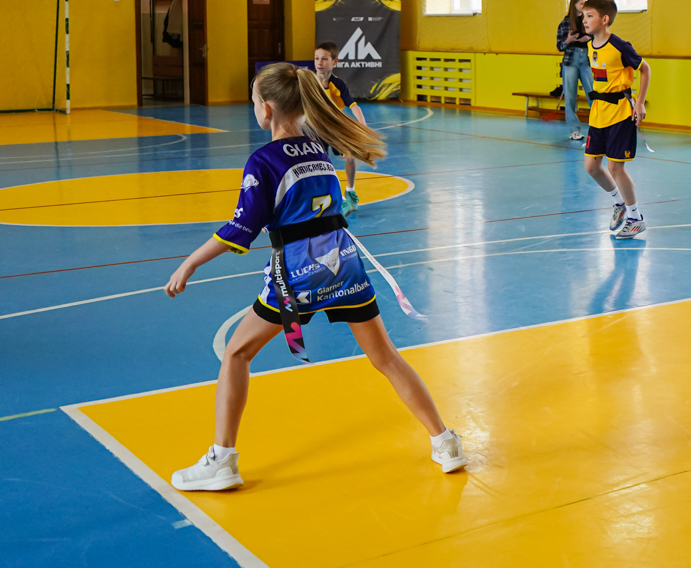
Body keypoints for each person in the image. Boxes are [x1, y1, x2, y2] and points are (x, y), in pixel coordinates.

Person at [163, 63, 466, 491]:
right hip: (345, 264)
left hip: (300, 275)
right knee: (385, 357)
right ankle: (445, 441)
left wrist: (190, 262)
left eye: (254, 101)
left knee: (236, 354)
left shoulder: (263, 161)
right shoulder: (317, 149)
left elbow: (241, 229)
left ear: (266, 109)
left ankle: (223, 460)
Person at [582, 0, 651, 239]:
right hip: (598, 113)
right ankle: (618, 203)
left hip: (620, 113)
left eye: (589, 16)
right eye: (583, 16)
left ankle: (635, 218)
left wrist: (639, 103)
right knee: (591, 166)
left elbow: (645, 69)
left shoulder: (620, 46)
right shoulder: (590, 45)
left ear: (604, 19)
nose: (584, 20)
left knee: (615, 167)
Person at [313, 41, 368, 216]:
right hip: (315, 129)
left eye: (324, 59)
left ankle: (350, 192)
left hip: (335, 127)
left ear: (334, 62)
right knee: (321, 164)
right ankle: (337, 199)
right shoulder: (309, 83)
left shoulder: (338, 84)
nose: (319, 62)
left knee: (351, 154)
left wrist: (363, 125)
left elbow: (353, 105)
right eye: (316, 58)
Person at [555, 0, 592, 141]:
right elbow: (560, 46)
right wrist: (569, 40)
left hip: (586, 59)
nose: (584, 6)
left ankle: (599, 128)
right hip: (570, 61)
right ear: (574, 5)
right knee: (570, 96)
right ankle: (574, 131)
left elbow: (596, 36)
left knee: (593, 94)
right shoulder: (565, 23)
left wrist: (588, 38)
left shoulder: (588, 20)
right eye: (581, 3)